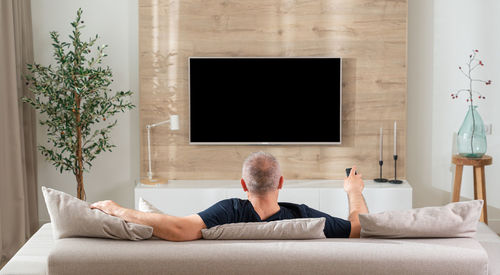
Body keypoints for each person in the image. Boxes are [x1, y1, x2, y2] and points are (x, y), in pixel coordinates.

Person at [91, 151, 368, 241]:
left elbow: (176, 228)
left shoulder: (227, 213)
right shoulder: (305, 218)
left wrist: (116, 209)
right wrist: (353, 191)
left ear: (243, 185)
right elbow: (359, 229)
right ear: (281, 182)